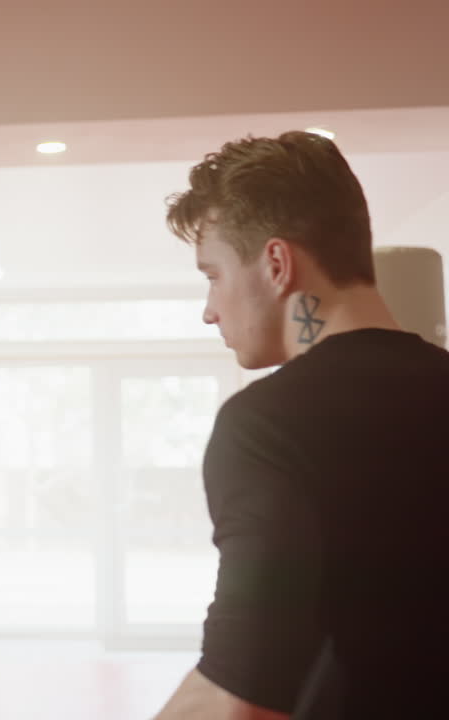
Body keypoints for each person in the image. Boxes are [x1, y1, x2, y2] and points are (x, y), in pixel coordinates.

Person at [152, 131, 449, 719]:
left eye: (212, 275)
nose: (208, 309)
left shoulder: (266, 427)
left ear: (277, 264)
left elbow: (240, 697)